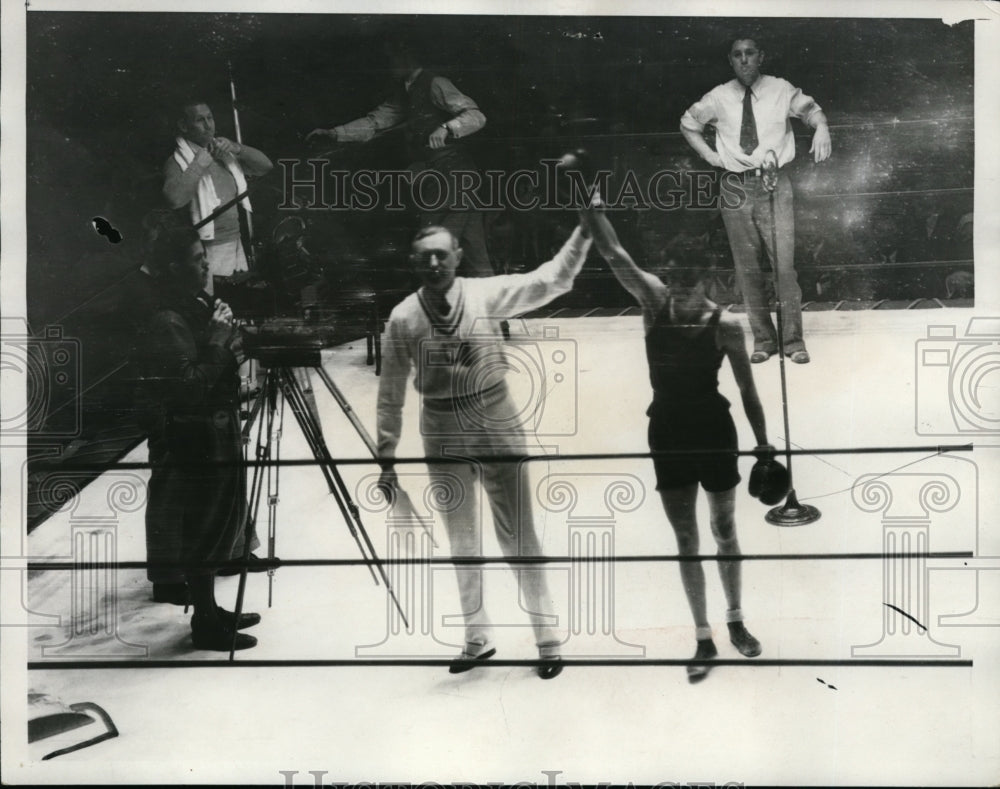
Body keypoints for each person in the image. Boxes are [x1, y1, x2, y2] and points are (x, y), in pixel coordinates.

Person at [375, 214, 594, 679]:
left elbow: (552, 279)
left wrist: (585, 230)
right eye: (424, 256)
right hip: (441, 427)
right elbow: (390, 393)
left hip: (496, 418)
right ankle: (476, 636)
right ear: (413, 262)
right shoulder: (402, 318)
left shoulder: (485, 293)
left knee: (519, 534)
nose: (434, 262)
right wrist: (386, 455)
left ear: (458, 256)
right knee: (461, 540)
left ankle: (546, 637)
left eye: (442, 254)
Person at [586, 204, 772, 683]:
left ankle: (736, 620)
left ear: (708, 277)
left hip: (713, 429)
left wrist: (765, 445)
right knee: (686, 537)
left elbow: (748, 391)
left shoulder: (727, 326)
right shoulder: (653, 301)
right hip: (667, 430)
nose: (685, 284)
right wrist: (590, 205)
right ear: (668, 275)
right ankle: (703, 634)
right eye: (678, 276)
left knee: (724, 528)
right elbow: (612, 251)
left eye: (693, 276)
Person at [135, 224, 261, 650]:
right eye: (196, 261)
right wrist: (219, 342)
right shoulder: (167, 319)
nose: (206, 267)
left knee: (213, 522)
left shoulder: (191, 306)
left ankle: (209, 611)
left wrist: (225, 337)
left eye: (205, 259)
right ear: (173, 268)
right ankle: (205, 624)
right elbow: (187, 388)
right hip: (194, 437)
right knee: (201, 527)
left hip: (211, 431)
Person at [680, 36, 832, 364]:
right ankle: (763, 341)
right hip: (735, 187)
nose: (745, 60)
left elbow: (812, 111)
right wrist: (711, 156)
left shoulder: (780, 89)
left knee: (784, 268)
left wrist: (822, 128)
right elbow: (688, 123)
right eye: (738, 55)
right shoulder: (719, 97)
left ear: (761, 56)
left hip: (774, 183)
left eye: (750, 54)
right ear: (731, 61)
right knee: (747, 269)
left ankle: (793, 341)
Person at [306, 36, 492, 278]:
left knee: (436, 245)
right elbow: (375, 122)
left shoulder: (435, 83)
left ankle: (438, 309)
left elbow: (476, 116)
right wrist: (334, 133)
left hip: (454, 174)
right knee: (474, 249)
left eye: (391, 58)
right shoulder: (405, 92)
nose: (388, 64)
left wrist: (446, 128)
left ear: (406, 56)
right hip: (442, 176)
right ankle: (495, 309)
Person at [163, 100, 273, 296]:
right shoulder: (177, 161)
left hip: (236, 242)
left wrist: (237, 147)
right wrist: (199, 164)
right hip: (205, 251)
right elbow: (174, 199)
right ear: (183, 126)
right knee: (216, 307)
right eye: (200, 120)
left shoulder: (224, 154)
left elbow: (266, 167)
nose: (208, 125)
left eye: (210, 118)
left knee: (240, 304)